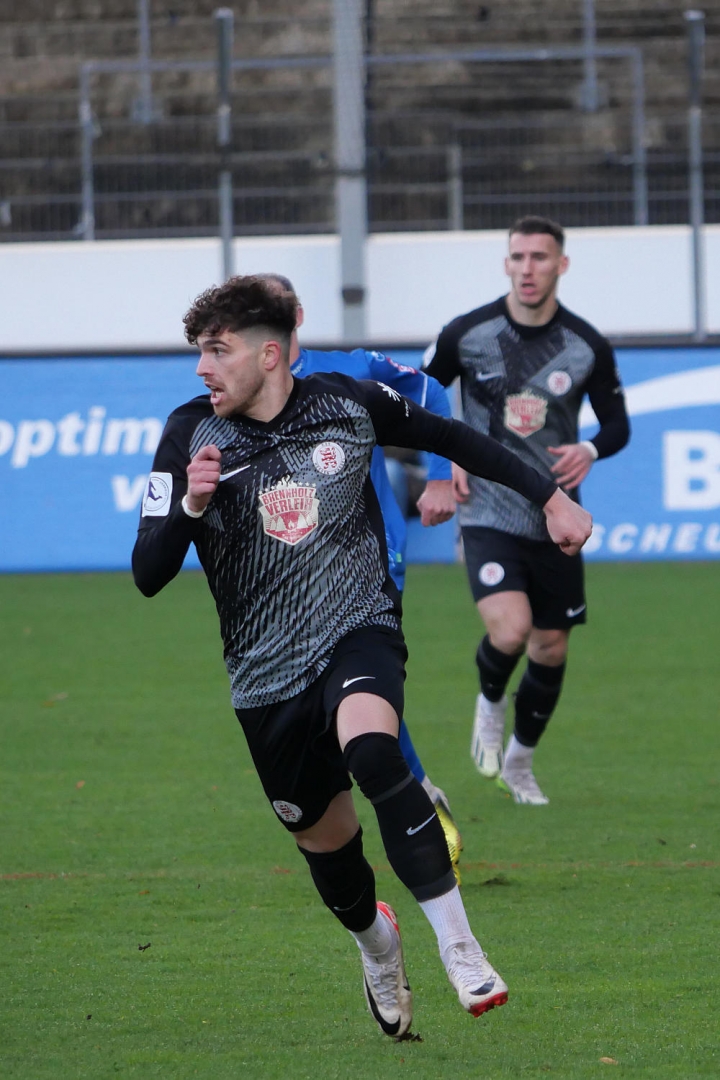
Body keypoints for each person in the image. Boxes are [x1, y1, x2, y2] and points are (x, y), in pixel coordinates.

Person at [132, 275, 591, 1037]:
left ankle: (462, 948)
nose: (202, 368)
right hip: (264, 674)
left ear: (269, 354)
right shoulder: (188, 435)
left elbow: (455, 439)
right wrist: (191, 505)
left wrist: (550, 497)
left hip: (358, 629)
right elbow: (147, 572)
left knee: (376, 752)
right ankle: (377, 945)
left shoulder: (347, 401)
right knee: (329, 849)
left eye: (217, 350)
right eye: (200, 353)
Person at [256, 272, 463, 881]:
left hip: (370, 558)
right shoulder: (242, 390)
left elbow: (431, 393)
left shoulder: (350, 369)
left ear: (295, 317)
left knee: (353, 675)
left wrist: (441, 476)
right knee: (337, 687)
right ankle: (415, 790)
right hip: (295, 570)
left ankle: (416, 802)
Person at [424, 215, 630, 806]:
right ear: (506, 263)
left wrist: (590, 449)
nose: (528, 268)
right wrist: (443, 462)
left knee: (550, 647)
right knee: (511, 630)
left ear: (561, 265)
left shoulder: (586, 345)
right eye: (518, 257)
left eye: (540, 257)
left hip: (556, 514)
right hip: (486, 509)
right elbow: (420, 397)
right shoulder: (467, 334)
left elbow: (617, 424)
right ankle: (490, 704)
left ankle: (519, 763)